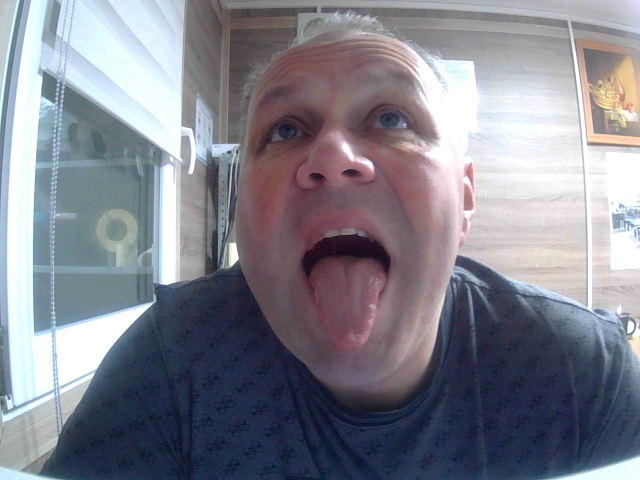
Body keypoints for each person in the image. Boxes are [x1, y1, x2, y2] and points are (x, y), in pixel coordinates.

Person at [42, 12, 640, 479]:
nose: (330, 155)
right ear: (239, 208)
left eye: (390, 119)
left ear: (463, 200)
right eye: (286, 130)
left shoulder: (580, 372)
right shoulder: (173, 358)